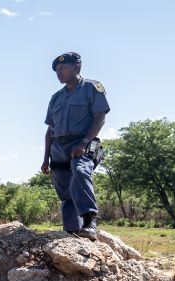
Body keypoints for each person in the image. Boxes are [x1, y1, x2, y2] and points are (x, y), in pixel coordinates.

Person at [40, 51, 108, 240]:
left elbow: (99, 118)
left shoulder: (92, 88)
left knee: (80, 171)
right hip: (58, 149)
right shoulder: (56, 98)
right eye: (57, 70)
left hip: (83, 143)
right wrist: (46, 158)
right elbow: (50, 130)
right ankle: (71, 232)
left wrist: (84, 142)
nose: (59, 73)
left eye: (63, 68)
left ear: (76, 67)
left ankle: (89, 221)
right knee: (65, 192)